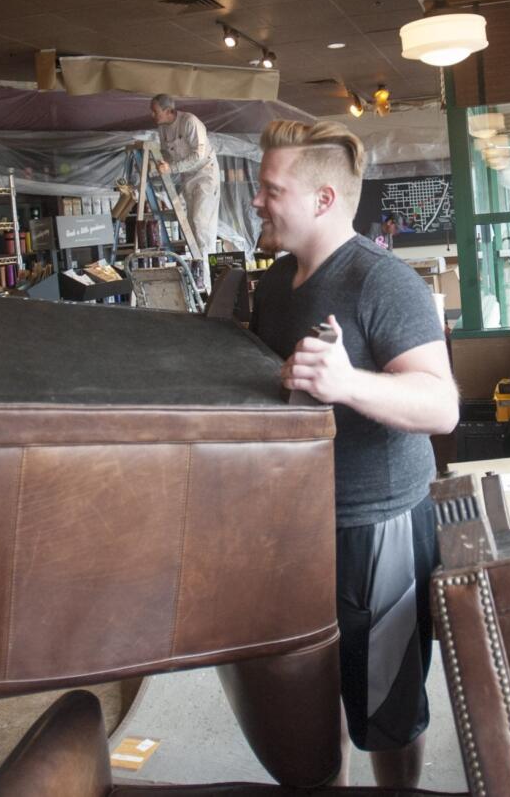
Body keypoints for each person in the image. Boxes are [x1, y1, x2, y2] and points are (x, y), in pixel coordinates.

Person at [248, 120, 458, 787]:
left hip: (378, 526)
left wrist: (346, 383)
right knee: (305, 697)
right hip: (293, 525)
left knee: (385, 702)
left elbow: (441, 404)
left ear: (324, 199)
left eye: (270, 189)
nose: (257, 200)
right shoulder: (275, 285)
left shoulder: (382, 282)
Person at [150, 93, 220, 287]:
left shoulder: (189, 122)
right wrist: (157, 162)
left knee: (201, 224)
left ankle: (209, 282)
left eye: (155, 111)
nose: (152, 115)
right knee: (192, 226)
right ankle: (201, 280)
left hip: (205, 174)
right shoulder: (163, 129)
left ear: (168, 110)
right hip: (187, 178)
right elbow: (166, 153)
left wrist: (170, 168)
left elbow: (198, 154)